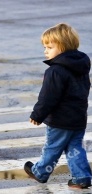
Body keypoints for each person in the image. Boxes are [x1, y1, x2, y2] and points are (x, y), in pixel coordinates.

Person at [24, 23, 92, 189]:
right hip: (78, 118)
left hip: (60, 120)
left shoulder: (55, 71)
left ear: (62, 47)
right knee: (75, 148)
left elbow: (48, 97)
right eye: (44, 47)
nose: (45, 51)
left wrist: (37, 114)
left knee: (52, 147)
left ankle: (40, 172)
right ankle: (82, 177)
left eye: (49, 47)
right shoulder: (81, 67)